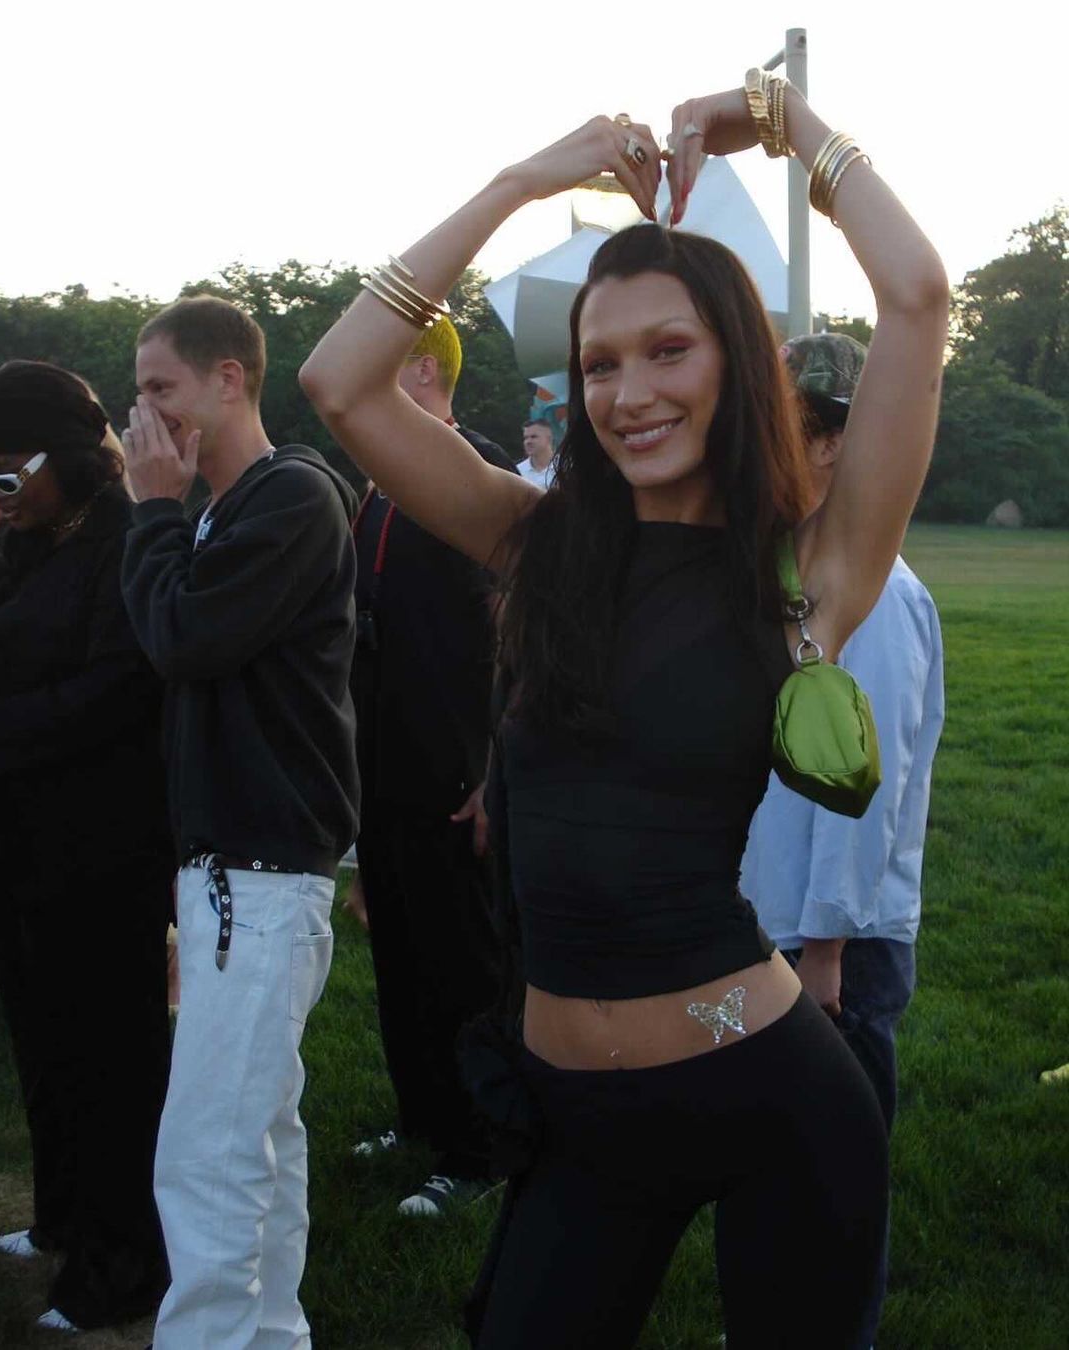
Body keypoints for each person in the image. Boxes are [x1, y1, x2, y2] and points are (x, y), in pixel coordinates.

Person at [300, 77, 948, 1348]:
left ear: (736, 366)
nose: (629, 391)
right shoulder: (535, 544)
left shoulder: (803, 579)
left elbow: (917, 297)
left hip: (766, 1095)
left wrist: (785, 118)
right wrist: (522, 184)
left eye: (670, 350)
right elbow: (341, 384)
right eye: (600, 361)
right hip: (576, 1121)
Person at [119, 295, 359, 1350]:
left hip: (259, 879)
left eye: (161, 389)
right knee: (256, 1142)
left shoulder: (292, 497)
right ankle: (269, 1338)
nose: (146, 417)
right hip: (238, 879)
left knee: (210, 1162)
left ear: (229, 381)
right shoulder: (231, 509)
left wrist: (152, 510)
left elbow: (180, 636)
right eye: (138, 394)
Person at [740, 330, 945, 1343]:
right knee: (766, 1180)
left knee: (833, 1188)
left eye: (786, 429)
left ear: (833, 446)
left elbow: (867, 794)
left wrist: (823, 951)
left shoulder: (882, 599)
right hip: (769, 930)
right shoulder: (788, 577)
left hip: (834, 953)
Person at [0, 361, 174, 1333]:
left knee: (111, 1058)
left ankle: (124, 1262)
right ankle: (61, 1216)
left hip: (103, 844)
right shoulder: (20, 539)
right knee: (43, 1040)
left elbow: (116, 688)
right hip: (20, 842)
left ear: (63, 459)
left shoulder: (121, 537)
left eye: (5, 475)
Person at [350, 316, 516, 1214]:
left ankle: (480, 1149)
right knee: (402, 957)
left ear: (418, 368)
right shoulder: (377, 483)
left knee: (462, 966)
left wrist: (496, 767)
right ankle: (421, 1116)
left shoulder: (473, 472)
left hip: (456, 771)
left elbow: (515, 638)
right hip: (385, 768)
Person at [517, 418, 557, 488]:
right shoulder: (518, 471)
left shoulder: (565, 468)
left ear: (549, 439)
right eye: (525, 438)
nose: (528, 442)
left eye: (534, 437)